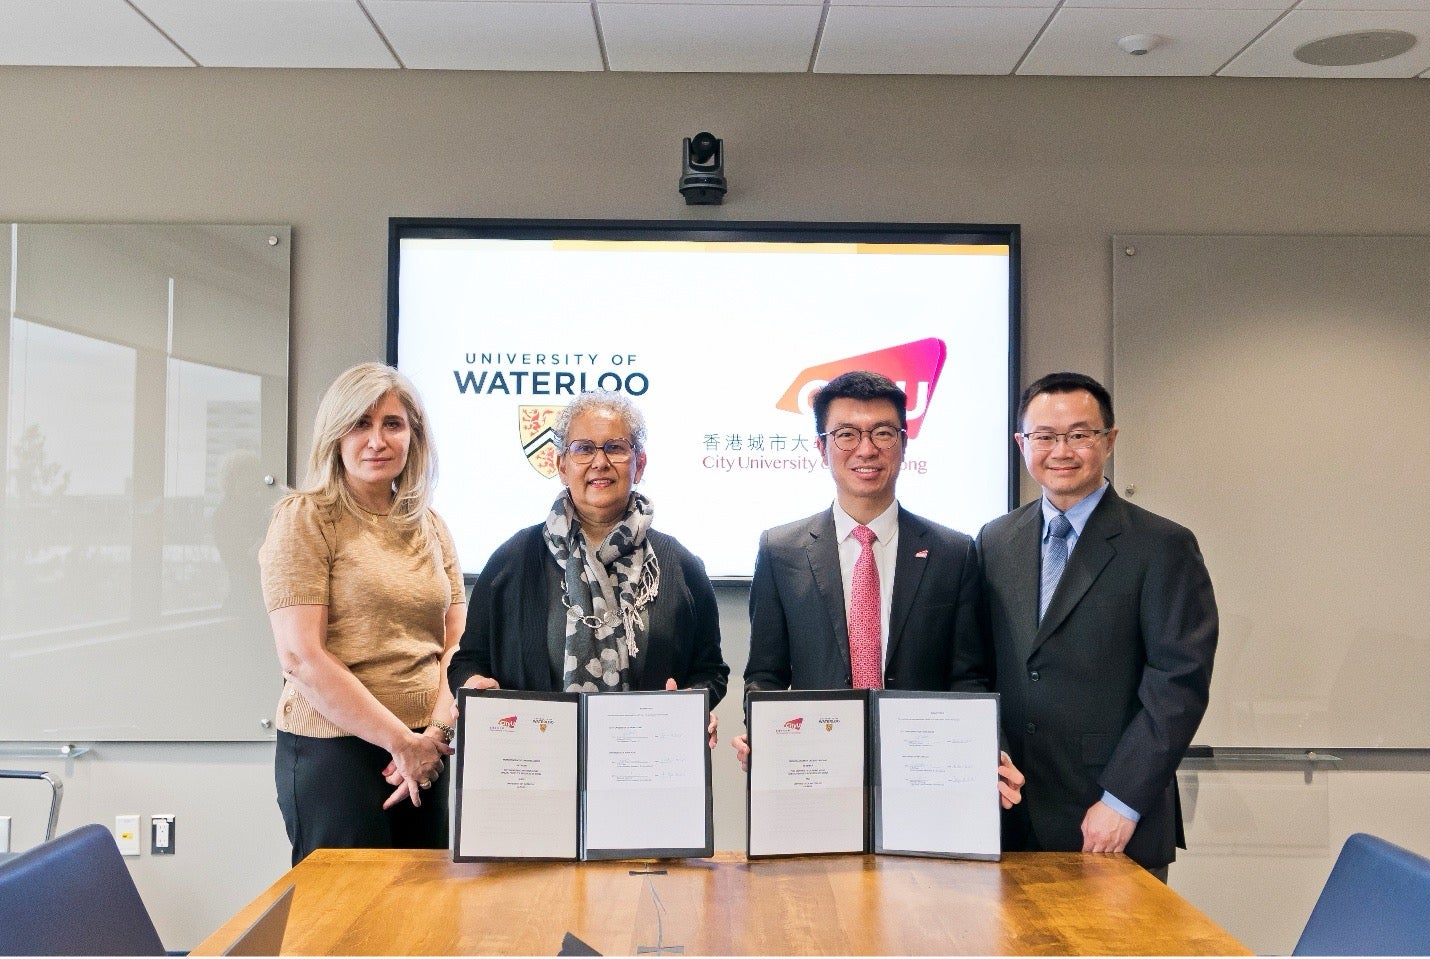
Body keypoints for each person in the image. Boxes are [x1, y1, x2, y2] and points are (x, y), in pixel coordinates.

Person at [735, 370, 1023, 810]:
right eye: (846, 434)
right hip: (817, 775)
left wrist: (984, 751)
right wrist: (764, 734)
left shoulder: (952, 552)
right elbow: (765, 675)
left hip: (925, 779)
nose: (866, 449)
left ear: (904, 444)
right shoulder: (781, 550)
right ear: (821, 447)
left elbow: (968, 677)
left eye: (883, 433)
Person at [977, 371, 1217, 878]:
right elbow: (980, 665)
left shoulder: (1161, 545)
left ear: (1109, 441)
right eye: (1044, 436)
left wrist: (1123, 801)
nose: (1060, 450)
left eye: (1079, 434)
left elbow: (1179, 682)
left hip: (1108, 822)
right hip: (1009, 815)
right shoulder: (996, 540)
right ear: (1022, 444)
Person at [259, 362, 465, 864]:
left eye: (392, 424)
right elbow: (301, 657)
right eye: (360, 424)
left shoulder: (431, 525)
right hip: (337, 756)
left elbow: (457, 640)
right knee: (344, 931)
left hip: (426, 754)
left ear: (413, 436)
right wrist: (400, 743)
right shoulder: (306, 518)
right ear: (335, 434)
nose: (377, 440)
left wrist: (434, 736)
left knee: (420, 925)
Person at [448, 390, 728, 729]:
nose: (600, 462)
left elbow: (711, 671)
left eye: (615, 447)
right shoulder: (512, 561)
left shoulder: (680, 566)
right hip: (536, 765)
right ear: (561, 466)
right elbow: (468, 660)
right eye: (583, 448)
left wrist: (691, 701)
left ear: (639, 464)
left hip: (646, 765)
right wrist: (474, 684)